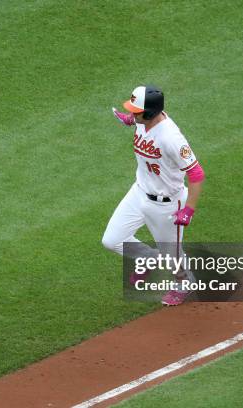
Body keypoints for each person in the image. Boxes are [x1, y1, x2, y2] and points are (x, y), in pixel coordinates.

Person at [103, 85, 205, 306]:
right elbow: (138, 124)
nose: (132, 113)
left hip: (167, 204)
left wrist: (188, 209)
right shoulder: (144, 121)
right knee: (111, 240)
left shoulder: (171, 139)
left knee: (173, 257)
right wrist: (130, 120)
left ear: (148, 113)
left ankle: (184, 283)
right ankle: (147, 258)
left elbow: (196, 173)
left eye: (135, 111)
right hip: (139, 193)